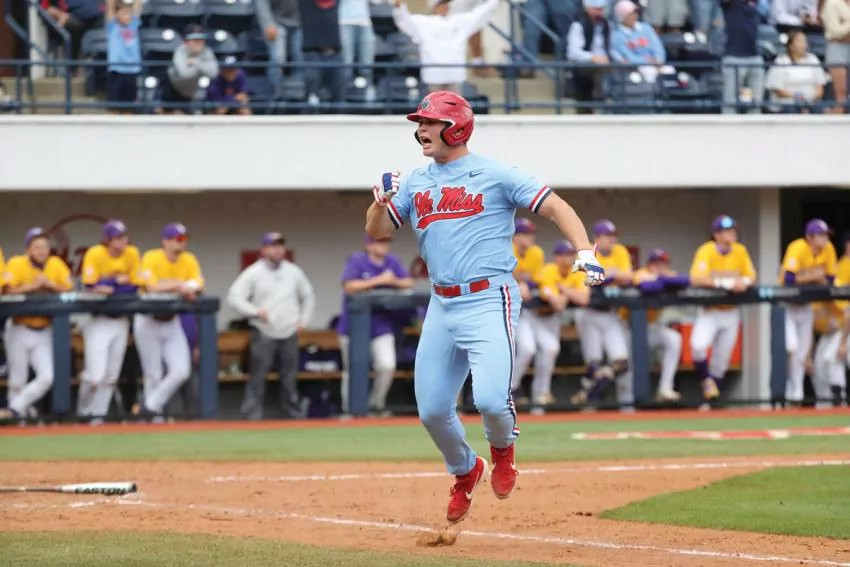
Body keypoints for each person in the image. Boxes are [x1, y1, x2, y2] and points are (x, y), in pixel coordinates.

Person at [366, 90, 604, 524]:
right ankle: (465, 470)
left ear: (456, 128)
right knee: (432, 411)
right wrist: (380, 202)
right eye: (420, 123)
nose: (421, 129)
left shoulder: (494, 173)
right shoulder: (416, 181)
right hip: (442, 302)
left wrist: (585, 251)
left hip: (489, 296)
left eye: (430, 122)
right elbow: (378, 231)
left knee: (492, 400)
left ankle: (503, 450)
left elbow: (555, 206)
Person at [228, 232, 316, 420]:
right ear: (264, 249)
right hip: (264, 332)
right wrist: (254, 311)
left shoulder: (293, 271)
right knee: (258, 377)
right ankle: (251, 416)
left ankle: (294, 417)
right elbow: (234, 297)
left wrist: (304, 320)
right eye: (273, 245)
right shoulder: (254, 272)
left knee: (289, 378)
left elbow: (308, 296)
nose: (277, 250)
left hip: (289, 331)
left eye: (280, 245)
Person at [132, 223, 204, 422]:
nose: (181, 243)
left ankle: (149, 407)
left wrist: (184, 286)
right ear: (165, 241)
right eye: (177, 239)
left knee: (181, 371)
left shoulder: (189, 259)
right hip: (148, 320)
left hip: (172, 320)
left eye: (183, 239)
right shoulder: (152, 257)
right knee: (153, 374)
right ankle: (154, 419)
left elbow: (199, 284)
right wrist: (180, 284)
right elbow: (152, 287)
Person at [0, 228, 73, 422]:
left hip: (43, 329)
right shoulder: (17, 263)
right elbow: (6, 291)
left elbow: (70, 290)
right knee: (17, 380)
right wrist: (33, 286)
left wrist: (49, 284)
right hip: (19, 328)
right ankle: (19, 421)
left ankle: (13, 410)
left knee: (48, 377)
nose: (42, 251)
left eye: (45, 246)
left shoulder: (55, 264)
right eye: (37, 247)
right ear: (28, 249)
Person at [336, 235, 414, 416]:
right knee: (352, 370)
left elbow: (408, 282)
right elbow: (349, 286)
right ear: (368, 245)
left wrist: (393, 281)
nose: (384, 245)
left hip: (381, 326)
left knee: (387, 365)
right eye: (380, 242)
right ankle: (350, 410)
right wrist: (379, 280)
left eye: (387, 242)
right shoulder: (357, 260)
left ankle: (375, 405)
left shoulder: (392, 261)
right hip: (353, 327)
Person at [77, 220, 144, 425]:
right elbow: (89, 284)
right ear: (107, 240)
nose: (122, 241)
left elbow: (136, 285)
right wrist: (117, 281)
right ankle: (83, 412)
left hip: (121, 321)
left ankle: (98, 416)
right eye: (117, 238)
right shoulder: (95, 253)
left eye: (123, 237)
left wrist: (109, 285)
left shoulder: (132, 253)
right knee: (95, 376)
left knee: (111, 376)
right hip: (99, 321)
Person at [513, 241, 590, 414]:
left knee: (551, 349)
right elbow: (557, 303)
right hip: (530, 316)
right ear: (557, 257)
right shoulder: (549, 270)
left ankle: (540, 395)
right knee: (527, 349)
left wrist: (564, 290)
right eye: (563, 255)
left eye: (570, 254)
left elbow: (584, 299)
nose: (567, 258)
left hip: (550, 319)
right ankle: (511, 388)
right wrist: (567, 293)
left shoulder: (576, 273)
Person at [688, 215, 757, 404]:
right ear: (716, 235)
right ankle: (705, 380)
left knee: (721, 362)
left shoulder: (740, 251)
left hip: (731, 312)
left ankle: (709, 404)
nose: (731, 234)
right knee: (698, 346)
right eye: (727, 231)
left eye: (733, 230)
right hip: (710, 311)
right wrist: (725, 283)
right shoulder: (706, 251)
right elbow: (696, 278)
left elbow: (751, 276)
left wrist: (743, 282)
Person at [570, 220, 633, 409]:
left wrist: (607, 276)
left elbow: (628, 277)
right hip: (588, 314)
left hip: (610, 313)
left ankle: (587, 394)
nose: (612, 240)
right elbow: (590, 280)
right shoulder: (587, 252)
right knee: (594, 364)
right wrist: (612, 276)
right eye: (608, 236)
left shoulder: (620, 251)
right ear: (597, 238)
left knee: (621, 362)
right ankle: (590, 402)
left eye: (614, 236)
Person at [779, 218, 837, 406]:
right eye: (821, 235)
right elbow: (789, 279)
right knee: (791, 348)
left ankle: (796, 395)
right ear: (809, 237)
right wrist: (814, 277)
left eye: (826, 235)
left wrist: (805, 277)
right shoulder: (797, 247)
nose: (825, 239)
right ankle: (785, 393)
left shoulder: (828, 249)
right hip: (787, 305)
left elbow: (830, 280)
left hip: (806, 306)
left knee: (802, 353)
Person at [392, 0, 500, 92]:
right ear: (435, 7)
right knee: (434, 109)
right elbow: (404, 20)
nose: (446, 6)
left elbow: (482, 13)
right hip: (433, 78)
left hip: (455, 77)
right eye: (442, 4)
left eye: (447, 4)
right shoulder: (422, 22)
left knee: (454, 108)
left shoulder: (460, 21)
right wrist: (399, 7)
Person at [631, 249, 686, 402]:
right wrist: (663, 280)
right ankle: (626, 407)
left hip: (651, 327)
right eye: (657, 264)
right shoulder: (641, 274)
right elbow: (647, 287)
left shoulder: (665, 275)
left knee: (673, 339)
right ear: (650, 265)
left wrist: (663, 279)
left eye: (664, 264)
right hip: (628, 327)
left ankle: (665, 388)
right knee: (627, 368)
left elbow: (684, 281)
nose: (661, 267)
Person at [510, 217, 545, 404]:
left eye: (532, 233)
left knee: (528, 349)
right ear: (516, 236)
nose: (531, 237)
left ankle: (512, 387)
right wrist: (519, 283)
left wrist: (523, 282)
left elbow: (537, 280)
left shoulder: (536, 253)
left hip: (522, 312)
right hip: (501, 309)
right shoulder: (505, 248)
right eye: (526, 234)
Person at [720, 0, 770, 114]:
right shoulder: (730, 4)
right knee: (730, 102)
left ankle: (755, 125)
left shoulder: (756, 5)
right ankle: (727, 124)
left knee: (756, 102)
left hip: (755, 57)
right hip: (733, 57)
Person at [160, 24, 219, 114]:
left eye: (201, 40)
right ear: (186, 42)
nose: (198, 43)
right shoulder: (180, 51)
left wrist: (196, 63)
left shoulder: (207, 51)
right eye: (194, 40)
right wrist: (202, 69)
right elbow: (184, 74)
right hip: (176, 88)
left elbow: (214, 73)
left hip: (195, 90)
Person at [765, 30, 828, 112]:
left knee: (819, 108)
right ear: (791, 45)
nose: (803, 44)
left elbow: (820, 87)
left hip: (810, 101)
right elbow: (778, 90)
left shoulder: (813, 59)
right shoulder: (781, 61)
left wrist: (810, 100)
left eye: (804, 41)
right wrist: (799, 98)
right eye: (799, 41)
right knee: (792, 109)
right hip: (788, 103)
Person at [567, 0, 612, 114]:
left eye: (601, 9)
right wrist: (593, 57)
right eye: (597, 9)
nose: (600, 12)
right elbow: (573, 52)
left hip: (605, 63)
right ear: (588, 9)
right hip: (584, 66)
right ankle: (599, 102)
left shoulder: (606, 25)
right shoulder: (578, 25)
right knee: (595, 72)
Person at [611, 0, 667, 83]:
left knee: (669, 71)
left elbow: (657, 46)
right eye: (630, 14)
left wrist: (658, 60)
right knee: (649, 72)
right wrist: (647, 62)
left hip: (655, 63)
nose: (634, 16)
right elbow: (627, 57)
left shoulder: (646, 28)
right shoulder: (617, 35)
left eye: (635, 13)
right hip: (636, 68)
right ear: (622, 17)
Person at [813, 282, 848, 408]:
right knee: (819, 368)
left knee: (832, 359)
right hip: (826, 335)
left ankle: (839, 401)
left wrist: (843, 343)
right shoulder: (815, 301)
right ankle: (824, 406)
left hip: (843, 332)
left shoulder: (835, 295)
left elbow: (848, 316)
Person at [104, 0, 142, 115]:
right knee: (113, 107)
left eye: (129, 13)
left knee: (129, 107)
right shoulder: (112, 27)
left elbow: (137, 6)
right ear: (117, 15)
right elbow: (110, 6)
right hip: (117, 70)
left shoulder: (134, 25)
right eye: (124, 13)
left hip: (132, 70)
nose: (127, 16)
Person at [255, 0, 302, 90]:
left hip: (300, 21)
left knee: (302, 56)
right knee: (278, 57)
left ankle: (300, 92)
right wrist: (267, 24)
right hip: (275, 21)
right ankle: (276, 91)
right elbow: (261, 3)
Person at [820, 0, 850, 113]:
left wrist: (845, 23)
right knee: (841, 92)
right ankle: (839, 113)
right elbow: (834, 32)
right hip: (837, 49)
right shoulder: (831, 3)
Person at [338, 0, 377, 87]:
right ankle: (344, 90)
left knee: (367, 62)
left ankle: (367, 90)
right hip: (344, 22)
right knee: (346, 62)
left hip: (365, 23)